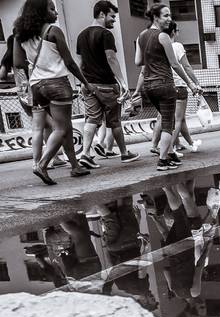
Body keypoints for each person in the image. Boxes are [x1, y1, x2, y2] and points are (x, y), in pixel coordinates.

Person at [13, 0, 95, 185]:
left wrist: (38, 66)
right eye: (52, 9)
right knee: (62, 128)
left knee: (63, 126)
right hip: (57, 83)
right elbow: (70, 62)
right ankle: (42, 164)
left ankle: (75, 165)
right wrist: (86, 83)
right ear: (41, 11)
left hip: (36, 85)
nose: (56, 13)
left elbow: (18, 63)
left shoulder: (20, 34)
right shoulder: (53, 31)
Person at [135, 3, 202, 172]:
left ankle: (170, 154)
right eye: (165, 15)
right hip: (164, 84)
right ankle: (162, 160)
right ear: (155, 17)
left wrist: (152, 57)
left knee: (166, 119)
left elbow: (138, 61)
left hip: (149, 86)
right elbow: (175, 64)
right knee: (168, 124)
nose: (169, 19)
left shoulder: (141, 36)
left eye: (170, 15)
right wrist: (190, 83)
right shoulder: (163, 36)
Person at [76, 1, 139, 171]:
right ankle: (124, 153)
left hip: (89, 85)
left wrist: (82, 83)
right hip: (107, 85)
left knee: (91, 119)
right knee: (114, 122)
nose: (114, 20)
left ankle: (85, 154)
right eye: (112, 16)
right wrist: (122, 82)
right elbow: (111, 58)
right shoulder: (105, 34)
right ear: (102, 14)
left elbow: (80, 63)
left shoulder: (81, 35)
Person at [2, 33, 66, 168]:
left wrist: (16, 78)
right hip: (34, 92)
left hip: (22, 94)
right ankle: (40, 161)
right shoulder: (26, 56)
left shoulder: (8, 58)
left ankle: (53, 157)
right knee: (49, 126)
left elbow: (2, 75)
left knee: (44, 126)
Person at [149, 21, 202, 157]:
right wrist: (195, 83)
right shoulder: (177, 46)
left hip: (163, 84)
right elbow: (186, 66)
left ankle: (158, 145)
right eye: (177, 30)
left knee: (163, 117)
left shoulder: (158, 46)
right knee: (178, 120)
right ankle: (169, 149)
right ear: (173, 32)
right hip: (179, 86)